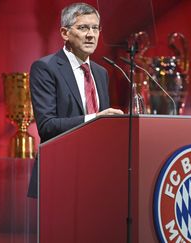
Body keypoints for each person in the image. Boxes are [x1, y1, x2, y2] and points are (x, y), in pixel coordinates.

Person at [28, 2, 123, 197]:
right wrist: (97, 119)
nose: (91, 34)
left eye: (95, 28)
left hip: (96, 176)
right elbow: (47, 126)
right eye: (83, 28)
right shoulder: (45, 68)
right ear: (65, 33)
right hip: (59, 173)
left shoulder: (101, 72)